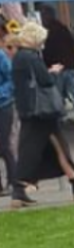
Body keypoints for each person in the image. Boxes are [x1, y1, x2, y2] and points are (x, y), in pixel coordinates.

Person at [10, 21, 74, 207]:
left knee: (55, 147)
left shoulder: (18, 57)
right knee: (36, 149)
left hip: (28, 108)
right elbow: (45, 81)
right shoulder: (32, 57)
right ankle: (20, 187)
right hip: (41, 111)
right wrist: (54, 72)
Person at [39, 5, 74, 129]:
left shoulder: (48, 31)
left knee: (57, 95)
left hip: (57, 67)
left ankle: (58, 119)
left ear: (46, 16)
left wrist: (46, 65)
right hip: (70, 66)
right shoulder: (63, 29)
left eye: (42, 15)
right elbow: (71, 45)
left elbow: (48, 51)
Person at [0, 33, 17, 193]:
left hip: (3, 104)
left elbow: (12, 78)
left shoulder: (1, 56)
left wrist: (2, 93)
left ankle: (13, 180)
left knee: (3, 144)